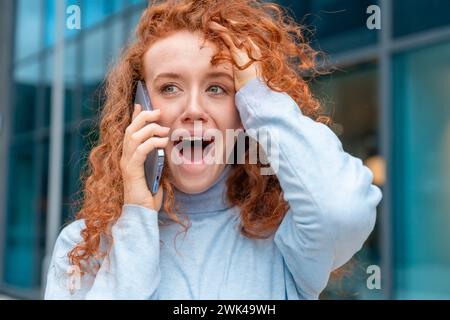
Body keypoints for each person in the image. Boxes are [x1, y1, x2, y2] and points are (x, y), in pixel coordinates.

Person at [44, 0, 382, 299]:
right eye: (170, 87)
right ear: (137, 109)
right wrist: (136, 219)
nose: (193, 108)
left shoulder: (286, 240)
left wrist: (261, 99)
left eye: (218, 87)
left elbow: (343, 208)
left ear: (243, 114)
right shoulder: (81, 248)